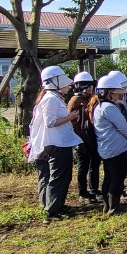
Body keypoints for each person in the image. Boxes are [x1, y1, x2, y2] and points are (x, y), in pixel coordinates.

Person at [27, 66, 83, 222]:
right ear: (55, 82)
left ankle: (54, 205)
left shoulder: (52, 97)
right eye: (65, 84)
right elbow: (50, 122)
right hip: (56, 144)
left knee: (54, 177)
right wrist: (70, 117)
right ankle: (52, 211)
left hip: (55, 143)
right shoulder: (51, 99)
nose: (68, 86)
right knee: (58, 177)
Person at [92, 72, 127, 214]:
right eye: (116, 93)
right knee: (117, 178)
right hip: (116, 148)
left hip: (106, 148)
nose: (119, 96)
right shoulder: (109, 108)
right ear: (109, 93)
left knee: (109, 177)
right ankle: (114, 208)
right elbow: (123, 126)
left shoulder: (99, 106)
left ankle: (107, 206)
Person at [67, 71, 101, 203]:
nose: (90, 88)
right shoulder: (75, 101)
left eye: (91, 86)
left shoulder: (90, 100)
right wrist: (77, 141)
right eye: (87, 86)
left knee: (95, 163)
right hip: (80, 138)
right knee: (83, 166)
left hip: (91, 136)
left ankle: (94, 189)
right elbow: (72, 123)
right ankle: (82, 192)